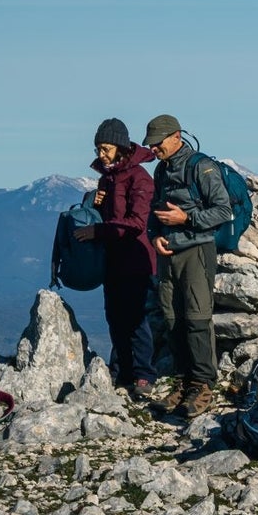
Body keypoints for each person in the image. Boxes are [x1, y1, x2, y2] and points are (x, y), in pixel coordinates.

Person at [144, 114, 233, 418]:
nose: (153, 149)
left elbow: (222, 210)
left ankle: (203, 385)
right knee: (172, 318)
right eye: (151, 145)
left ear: (176, 137)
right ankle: (183, 383)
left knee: (197, 318)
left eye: (157, 143)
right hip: (167, 252)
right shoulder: (161, 169)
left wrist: (186, 218)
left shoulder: (201, 167)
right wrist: (154, 236)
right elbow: (155, 209)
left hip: (196, 250)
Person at [73, 118, 158, 395]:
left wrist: (97, 231)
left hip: (136, 261)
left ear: (120, 147)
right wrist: (94, 204)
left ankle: (144, 374)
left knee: (135, 319)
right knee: (115, 317)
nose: (101, 154)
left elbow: (137, 223)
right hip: (113, 260)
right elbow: (107, 217)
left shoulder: (139, 178)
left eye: (106, 149)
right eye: (98, 148)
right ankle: (122, 372)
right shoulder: (106, 179)